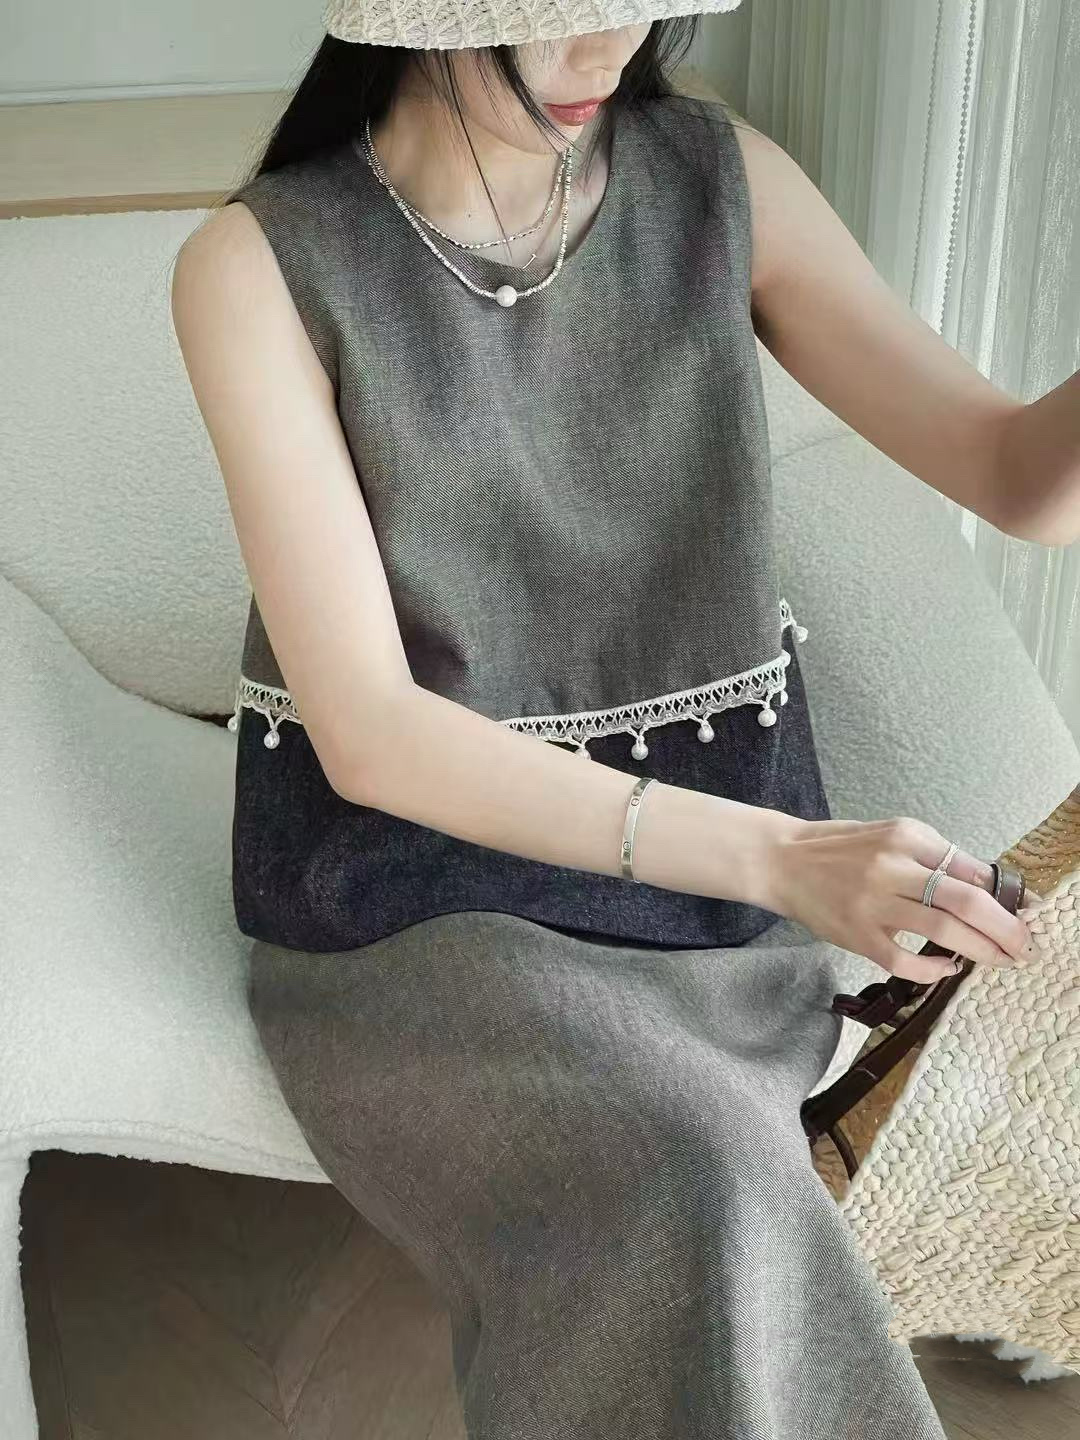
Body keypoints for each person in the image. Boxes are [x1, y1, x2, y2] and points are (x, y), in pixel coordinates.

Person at [170, 1, 1037, 1434]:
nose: (608, 54)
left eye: (639, 7)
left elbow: (1015, 475)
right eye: (561, 15)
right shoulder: (260, 265)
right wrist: (786, 857)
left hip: (704, 915)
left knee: (718, 1189)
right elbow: (372, 734)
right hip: (413, 912)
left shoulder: (719, 180)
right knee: (707, 1170)